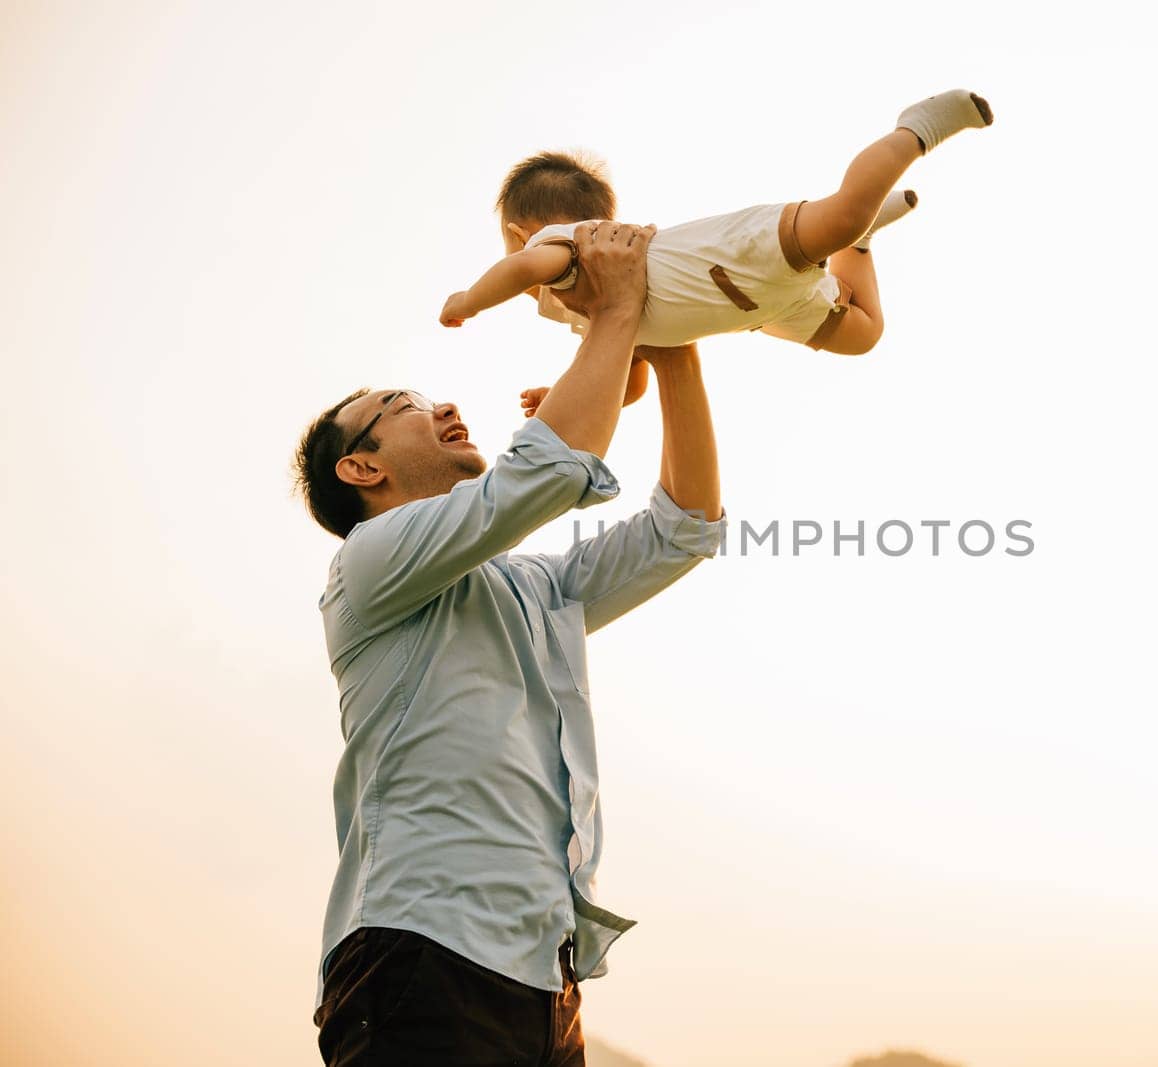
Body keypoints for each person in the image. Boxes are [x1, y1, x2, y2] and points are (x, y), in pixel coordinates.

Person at [292, 222, 726, 1065]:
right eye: (403, 409)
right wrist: (621, 306)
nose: (442, 405)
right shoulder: (368, 563)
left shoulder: (530, 587)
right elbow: (548, 472)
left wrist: (673, 347)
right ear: (361, 471)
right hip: (419, 948)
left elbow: (685, 528)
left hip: (541, 976)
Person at [439, 88, 994, 403]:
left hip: (729, 256)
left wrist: (469, 298)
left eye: (513, 249)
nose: (522, 261)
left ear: (519, 235)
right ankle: (865, 242)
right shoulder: (594, 309)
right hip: (757, 308)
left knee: (841, 215)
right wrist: (557, 394)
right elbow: (627, 385)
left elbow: (522, 269)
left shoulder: (568, 248)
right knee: (861, 335)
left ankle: (916, 130)